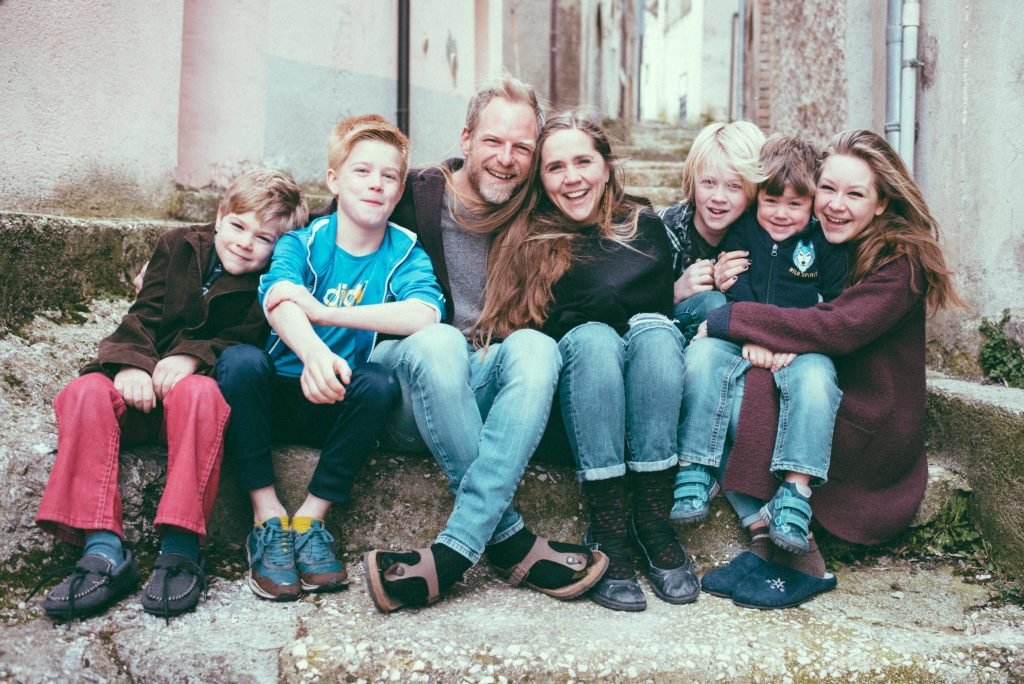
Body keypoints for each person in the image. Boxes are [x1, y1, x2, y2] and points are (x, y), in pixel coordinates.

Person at [362, 79, 607, 613]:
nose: (506, 159)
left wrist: (686, 279)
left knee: (538, 349)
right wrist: (203, 248)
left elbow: (614, 211)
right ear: (466, 138)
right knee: (441, 342)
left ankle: (453, 552)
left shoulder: (537, 214)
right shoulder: (414, 194)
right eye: (494, 142)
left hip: (482, 388)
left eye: (522, 147)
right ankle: (509, 540)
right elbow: (326, 227)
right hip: (406, 384)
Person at [693, 129, 965, 609]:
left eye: (855, 194)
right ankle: (764, 539)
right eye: (829, 189)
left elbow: (837, 326)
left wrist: (729, 319)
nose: (835, 205)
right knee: (714, 382)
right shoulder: (824, 244)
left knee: (754, 388)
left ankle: (802, 559)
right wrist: (724, 282)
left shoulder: (903, 261)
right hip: (828, 395)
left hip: (866, 426)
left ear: (881, 203)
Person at [32, 170, 308, 621]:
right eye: (238, 226)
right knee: (83, 392)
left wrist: (190, 358)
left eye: (264, 238)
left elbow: (247, 338)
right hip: (138, 391)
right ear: (220, 217)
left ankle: (181, 548)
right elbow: (142, 313)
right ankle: (101, 549)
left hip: (191, 409)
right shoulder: (176, 244)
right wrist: (130, 364)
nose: (245, 243)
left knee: (201, 394)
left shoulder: (271, 281)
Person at [474, 109, 699, 612]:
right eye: (555, 167)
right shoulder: (526, 238)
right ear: (540, 178)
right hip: (572, 411)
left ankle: (653, 517)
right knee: (595, 338)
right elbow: (519, 334)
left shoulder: (645, 225)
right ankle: (609, 529)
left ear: (606, 165)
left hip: (647, 402)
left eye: (583, 161)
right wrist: (590, 317)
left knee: (657, 333)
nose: (572, 178)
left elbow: (651, 303)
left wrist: (593, 307)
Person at [215, 115, 444, 602]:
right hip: (279, 392)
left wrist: (332, 312)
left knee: (380, 382)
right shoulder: (304, 241)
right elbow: (278, 294)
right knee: (238, 363)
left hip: (341, 403)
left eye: (388, 176)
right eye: (362, 171)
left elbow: (425, 313)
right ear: (335, 180)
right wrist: (315, 350)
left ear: (400, 189)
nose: (375, 184)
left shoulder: (405, 251)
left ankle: (310, 520)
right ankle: (267, 515)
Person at [674, 135, 847, 559]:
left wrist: (790, 338)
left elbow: (835, 302)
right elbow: (739, 290)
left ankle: (795, 492)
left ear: (812, 204)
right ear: (757, 199)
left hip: (802, 347)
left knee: (817, 382)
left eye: (795, 204)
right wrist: (754, 336)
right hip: (741, 339)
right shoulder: (742, 231)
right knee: (700, 356)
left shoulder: (823, 244)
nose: (782, 214)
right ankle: (696, 467)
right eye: (772, 200)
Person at [657, 121, 766, 344]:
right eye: (708, 182)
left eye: (734, 186)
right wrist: (673, 292)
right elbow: (626, 307)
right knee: (714, 303)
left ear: (753, 190)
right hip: (667, 334)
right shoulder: (662, 228)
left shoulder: (764, 234)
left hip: (737, 348)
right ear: (693, 181)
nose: (718, 197)